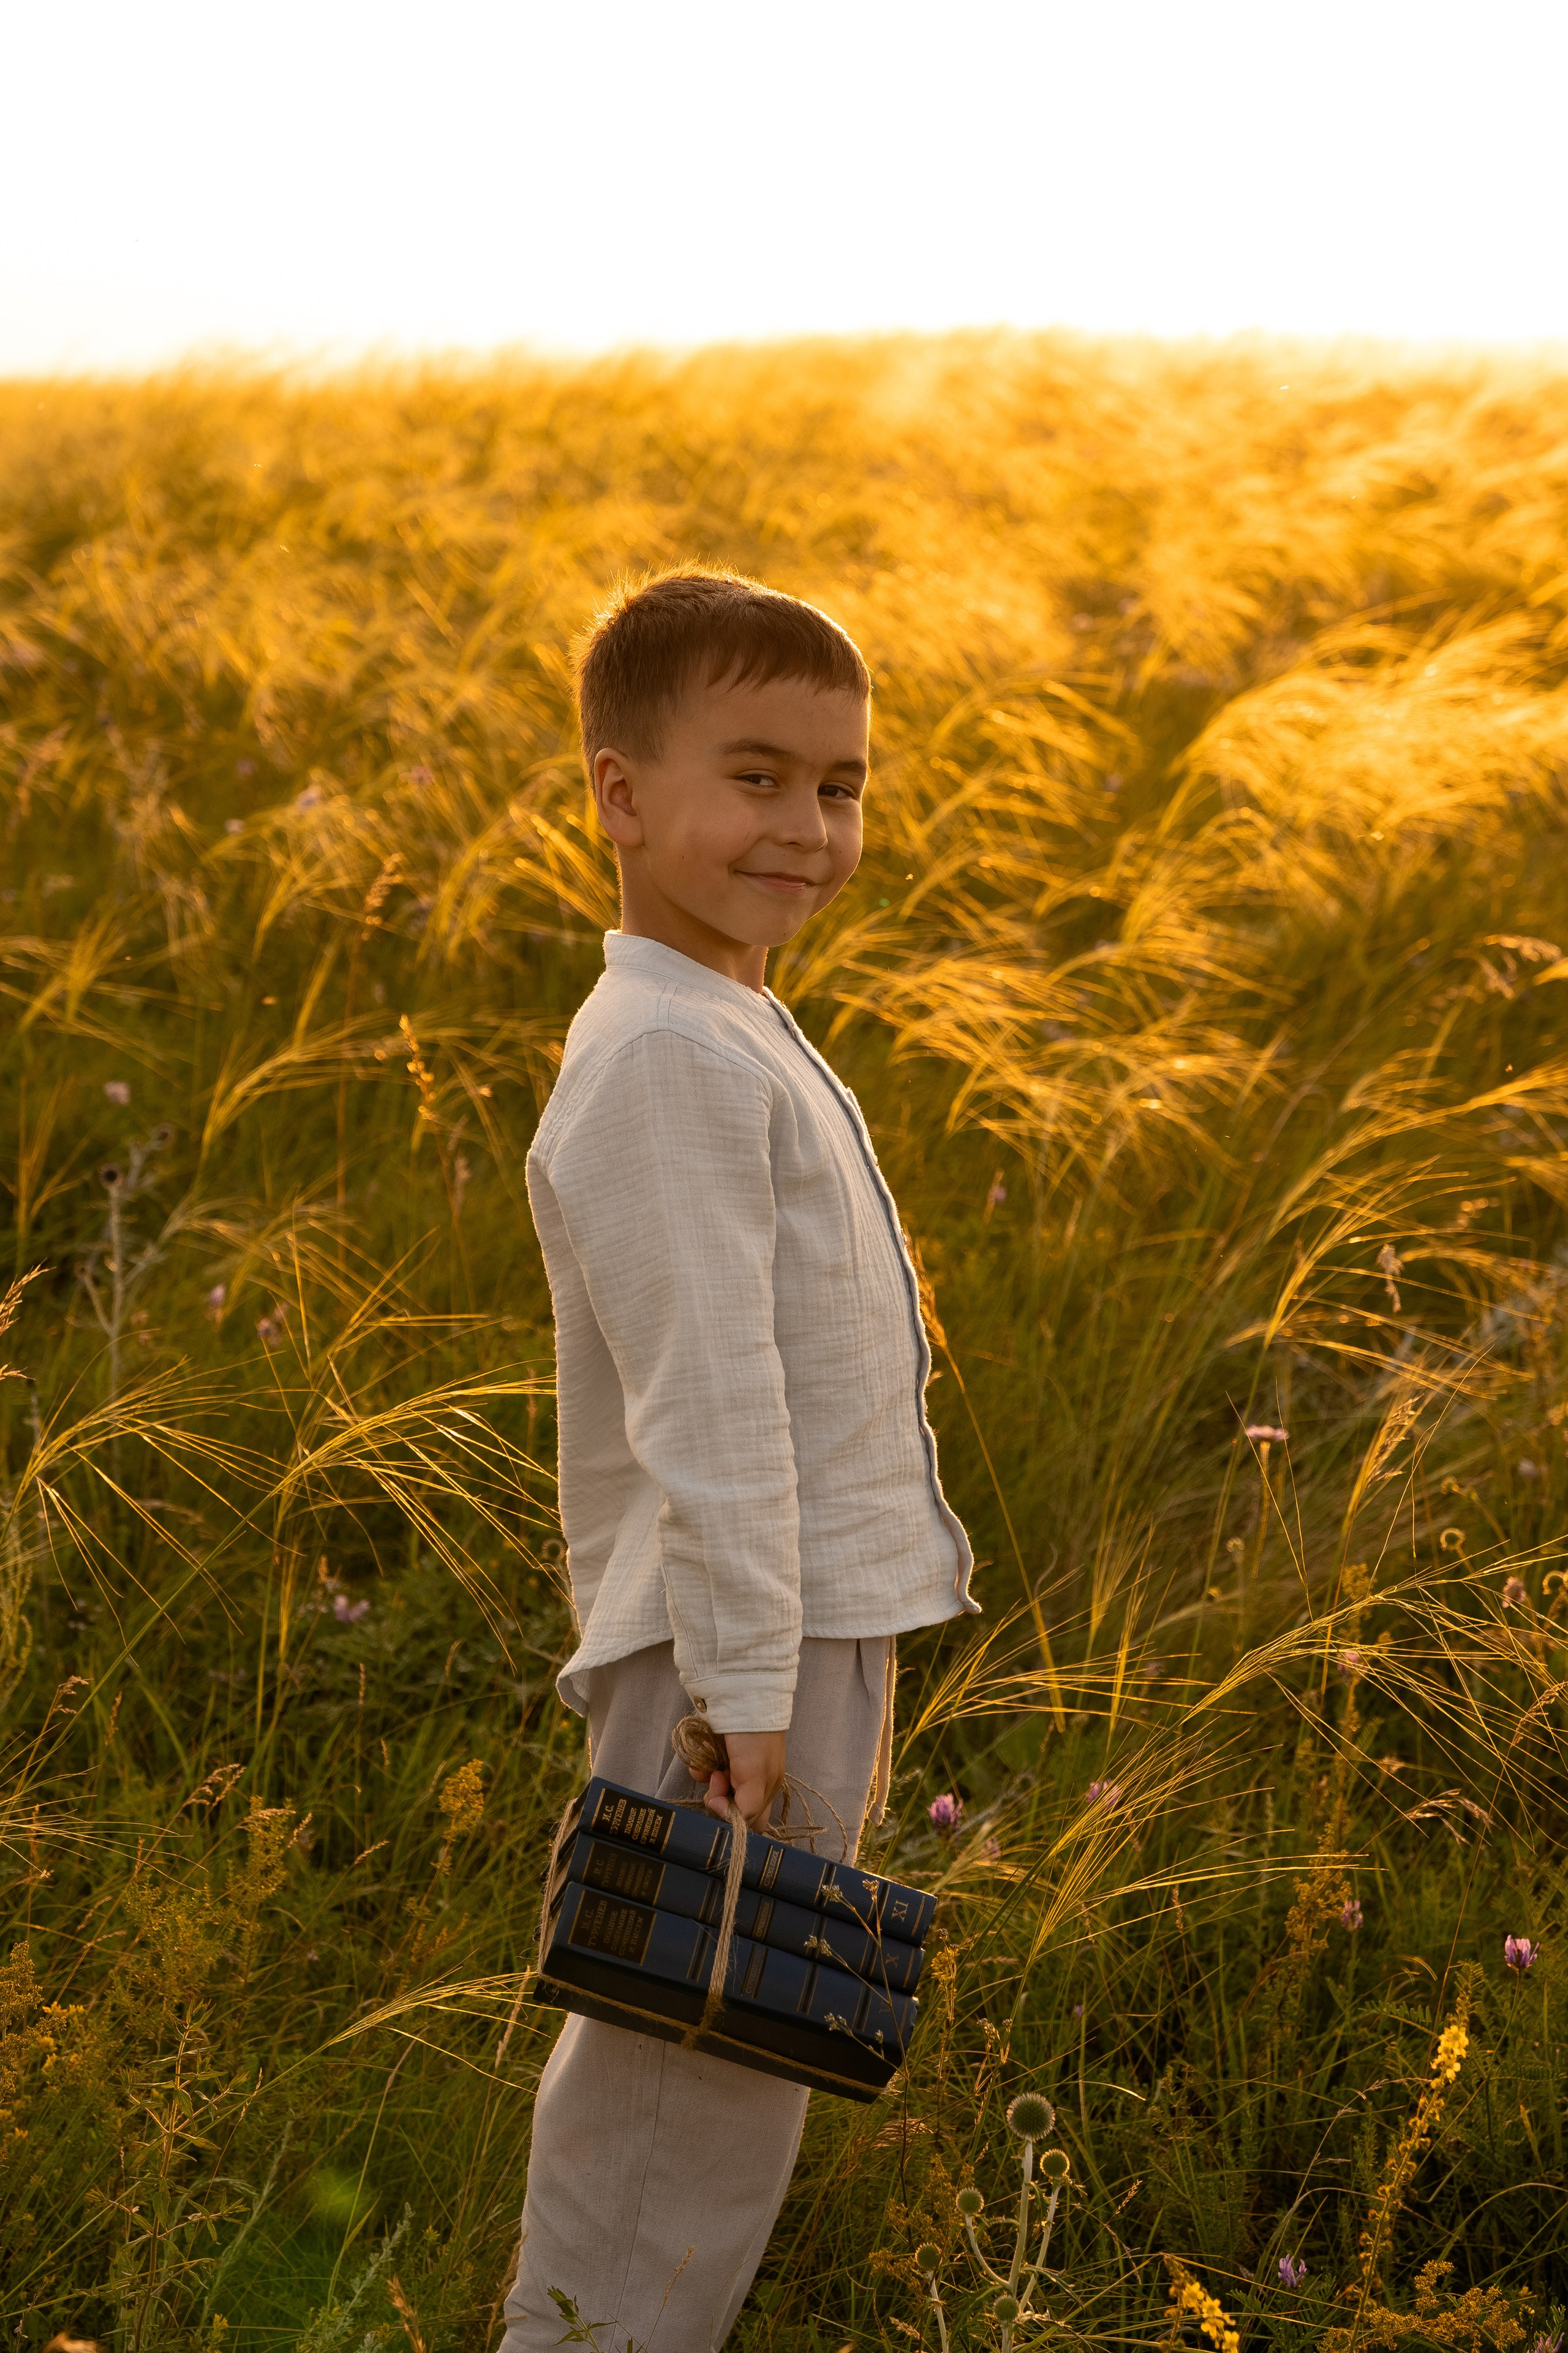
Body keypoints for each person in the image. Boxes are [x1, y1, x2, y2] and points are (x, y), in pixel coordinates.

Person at [497, 566, 976, 2351]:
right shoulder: (667, 1059)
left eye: (840, 785)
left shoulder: (720, 1020)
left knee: (726, 2073)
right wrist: (744, 1686)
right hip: (734, 1661)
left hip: (773, 1638)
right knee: (665, 2117)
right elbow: (710, 1403)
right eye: (756, 776)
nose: (807, 826)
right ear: (621, 795)